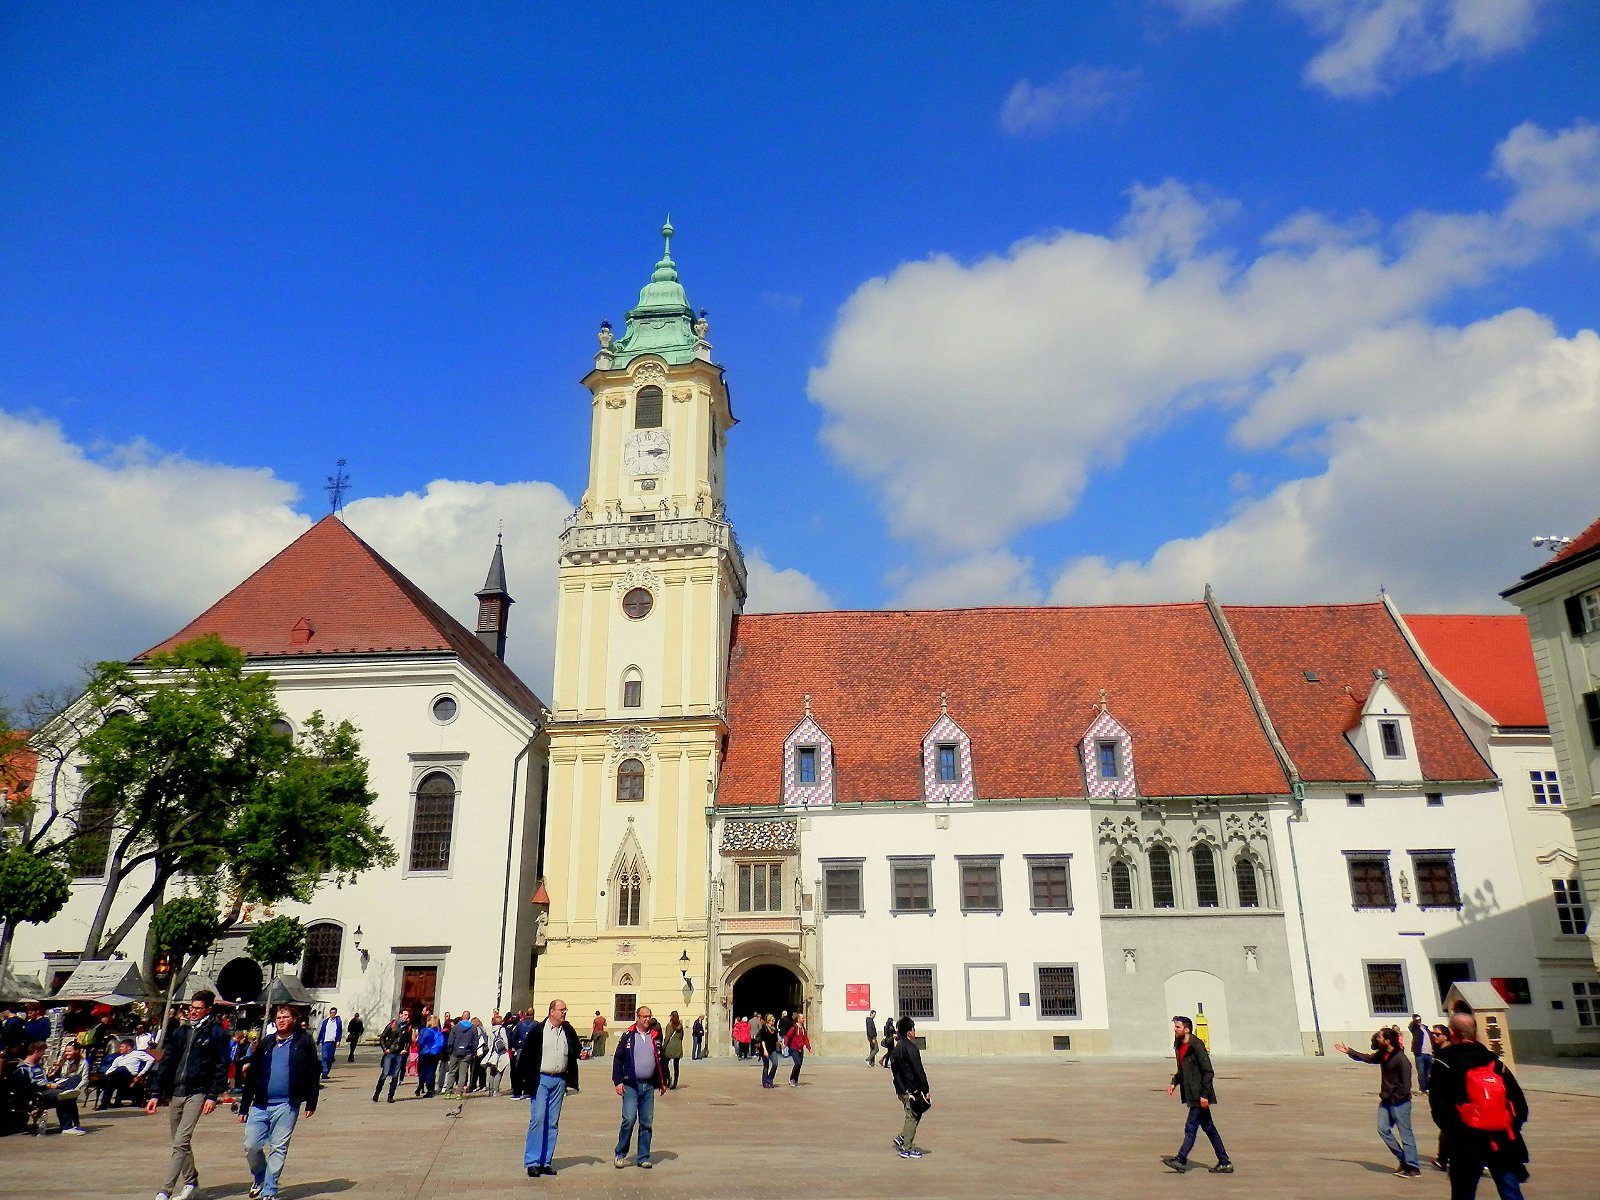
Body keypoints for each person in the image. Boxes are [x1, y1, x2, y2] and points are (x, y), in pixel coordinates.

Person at [1427, 1011, 1530, 1199]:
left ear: (1452, 1033)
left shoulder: (1444, 1061)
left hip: (1466, 1142)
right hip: (1502, 1139)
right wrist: (1509, 1126)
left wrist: (1454, 1132)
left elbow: (1439, 1106)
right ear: (1475, 1032)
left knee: (1464, 1193)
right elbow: (1518, 1101)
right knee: (1510, 1191)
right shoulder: (1492, 1060)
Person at [148, 988, 231, 1200]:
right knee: (179, 1141)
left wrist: (213, 1095)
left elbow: (221, 1064)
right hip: (177, 1090)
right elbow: (167, 1062)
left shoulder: (216, 1033)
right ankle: (191, 1182)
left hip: (198, 1091)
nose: (193, 1012)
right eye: (191, 1008)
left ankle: (165, 1190)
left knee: (181, 1141)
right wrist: (155, 1092)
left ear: (208, 1010)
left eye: (198, 1009)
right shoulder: (181, 1031)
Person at [238, 1003, 319, 1200]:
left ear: (294, 1019)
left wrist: (311, 1101)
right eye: (278, 1017)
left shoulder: (303, 1042)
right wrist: (244, 1106)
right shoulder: (267, 1043)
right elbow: (253, 1075)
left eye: (285, 1017)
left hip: (287, 1104)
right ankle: (260, 1177)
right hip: (261, 1104)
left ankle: (270, 1189)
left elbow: (312, 1072)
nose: (281, 1020)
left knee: (278, 1148)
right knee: (251, 1145)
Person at [1335, 1027, 1420, 1177]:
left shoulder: (1401, 1059)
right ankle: (1403, 1159)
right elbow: (1369, 1058)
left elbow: (1406, 1085)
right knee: (1382, 1129)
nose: (1377, 1038)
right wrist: (1350, 1051)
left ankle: (1413, 1167)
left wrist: (1397, 1097)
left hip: (1400, 1103)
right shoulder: (1383, 1054)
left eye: (1380, 1037)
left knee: (1405, 1135)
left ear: (1388, 1040)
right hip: (1386, 1101)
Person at [512, 999, 581, 1177]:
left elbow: (576, 1049)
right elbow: (526, 1055)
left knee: (552, 1122)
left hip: (560, 1080)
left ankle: (546, 1162)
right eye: (561, 1009)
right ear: (552, 1011)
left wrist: (581, 1053)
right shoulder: (538, 1030)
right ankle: (532, 1162)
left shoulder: (568, 1030)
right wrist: (520, 1083)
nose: (564, 1012)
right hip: (541, 1079)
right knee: (538, 1119)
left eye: (565, 1009)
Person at [1162, 1015, 1233, 1174]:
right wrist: (1174, 1082)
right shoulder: (1179, 1045)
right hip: (1192, 1093)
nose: (1175, 1029)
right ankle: (1225, 1162)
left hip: (1199, 1094)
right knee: (1209, 1128)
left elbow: (1208, 1071)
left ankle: (1181, 1159)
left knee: (1191, 1127)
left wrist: (1205, 1095)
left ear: (1187, 1029)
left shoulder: (1197, 1046)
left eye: (1178, 1027)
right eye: (1175, 1026)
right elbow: (1183, 1070)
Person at [612, 1005, 666, 1169]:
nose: (647, 1019)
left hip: (648, 1085)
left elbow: (660, 1060)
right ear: (638, 1017)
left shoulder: (654, 1036)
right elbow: (618, 1059)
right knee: (629, 1119)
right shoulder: (628, 1036)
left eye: (649, 1016)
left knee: (647, 1122)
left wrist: (662, 1081)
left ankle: (643, 1157)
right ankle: (620, 1153)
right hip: (631, 1085)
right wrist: (618, 1081)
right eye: (644, 1016)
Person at [889, 1015, 930, 1159]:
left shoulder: (897, 1048)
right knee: (912, 1116)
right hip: (911, 1089)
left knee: (912, 1114)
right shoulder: (911, 1049)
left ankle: (902, 1137)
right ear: (909, 1032)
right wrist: (925, 1089)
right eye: (913, 1029)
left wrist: (899, 1089)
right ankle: (907, 1147)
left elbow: (895, 1071)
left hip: (902, 1089)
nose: (914, 1031)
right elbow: (918, 1071)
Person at [98, 1037, 154, 1108]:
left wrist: (141, 1074)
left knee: (122, 1069)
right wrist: (106, 1076)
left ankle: (106, 1081)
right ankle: (104, 1103)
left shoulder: (137, 1053)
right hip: (119, 1078)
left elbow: (151, 1060)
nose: (120, 1048)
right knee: (110, 1079)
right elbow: (111, 1069)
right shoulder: (118, 1058)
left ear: (129, 1047)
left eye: (122, 1046)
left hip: (130, 1077)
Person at [373, 1010, 410, 1103]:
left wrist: (405, 1049)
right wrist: (385, 1048)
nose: (406, 1017)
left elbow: (408, 1040)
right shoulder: (392, 1025)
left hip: (399, 1054)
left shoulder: (407, 1027)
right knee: (384, 1074)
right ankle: (377, 1093)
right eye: (405, 1015)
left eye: (407, 1015)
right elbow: (382, 1037)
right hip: (390, 1053)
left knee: (395, 1075)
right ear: (400, 1015)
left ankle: (391, 1095)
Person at [445, 1011, 477, 1097]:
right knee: (463, 1074)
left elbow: (451, 1040)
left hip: (455, 1052)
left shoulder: (456, 1027)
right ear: (469, 1017)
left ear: (462, 1017)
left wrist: (449, 1050)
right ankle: (459, 1093)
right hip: (467, 1052)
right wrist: (473, 1052)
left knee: (452, 1072)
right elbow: (475, 1042)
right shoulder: (473, 1028)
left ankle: (448, 1091)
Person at [414, 1016, 444, 1098]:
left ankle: (426, 1088)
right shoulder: (438, 1032)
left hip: (425, 1053)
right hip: (436, 1054)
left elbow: (420, 1042)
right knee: (432, 1072)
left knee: (424, 1071)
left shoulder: (425, 1031)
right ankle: (431, 1089)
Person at [484, 1015, 510, 1098]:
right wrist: (507, 1049)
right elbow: (505, 1041)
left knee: (492, 1072)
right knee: (499, 1071)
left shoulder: (491, 1030)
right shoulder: (502, 1029)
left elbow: (489, 1043)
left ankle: (490, 1090)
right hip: (501, 1053)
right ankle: (496, 1090)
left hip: (493, 1053)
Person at [784, 1012, 811, 1086]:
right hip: (794, 1048)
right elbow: (788, 1036)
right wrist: (785, 1044)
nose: (803, 1019)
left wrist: (808, 1047)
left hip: (800, 1049)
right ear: (798, 1019)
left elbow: (805, 1038)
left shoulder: (803, 1028)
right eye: (802, 1018)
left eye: (803, 1018)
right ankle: (792, 1079)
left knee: (799, 1065)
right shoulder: (794, 1027)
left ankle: (796, 1080)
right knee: (797, 1063)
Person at [315, 1007, 342, 1079]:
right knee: (324, 1057)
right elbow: (322, 1031)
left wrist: (338, 1040)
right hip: (325, 1042)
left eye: (333, 1013)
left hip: (332, 1042)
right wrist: (319, 1040)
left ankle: (326, 1073)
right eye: (331, 1012)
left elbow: (339, 1031)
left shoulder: (338, 1022)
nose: (332, 1014)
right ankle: (324, 1071)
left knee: (330, 1058)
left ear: (335, 1013)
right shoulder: (325, 1021)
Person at [1409, 1014, 1434, 1093]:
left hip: (1429, 1053)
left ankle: (1428, 1087)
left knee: (1428, 1072)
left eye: (1419, 1019)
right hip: (1420, 1053)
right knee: (1421, 1072)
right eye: (1417, 1019)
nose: (1418, 1021)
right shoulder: (1415, 1028)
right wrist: (1414, 1022)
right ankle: (1422, 1088)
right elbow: (1410, 1026)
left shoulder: (1426, 1028)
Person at [756, 1012, 780, 1089]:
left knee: (775, 1064)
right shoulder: (764, 1029)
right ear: (768, 1021)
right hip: (765, 1049)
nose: (773, 1022)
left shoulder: (774, 1030)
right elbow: (762, 1040)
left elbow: (776, 1040)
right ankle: (765, 1082)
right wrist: (765, 1050)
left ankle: (769, 1079)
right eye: (772, 1020)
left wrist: (782, 1044)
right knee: (766, 1066)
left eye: (774, 1020)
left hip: (772, 1049)